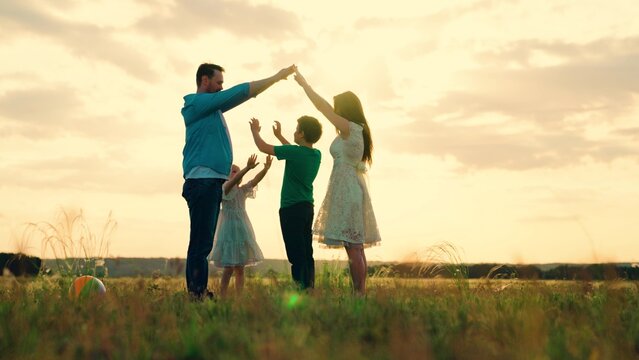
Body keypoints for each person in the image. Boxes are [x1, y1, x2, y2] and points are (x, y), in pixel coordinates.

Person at [181, 63, 295, 300]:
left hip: (210, 182)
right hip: (202, 181)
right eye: (218, 82)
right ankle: (197, 293)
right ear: (205, 80)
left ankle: (198, 292)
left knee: (203, 243)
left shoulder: (212, 111)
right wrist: (275, 77)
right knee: (201, 243)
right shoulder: (196, 103)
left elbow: (236, 95)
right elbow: (241, 92)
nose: (222, 87)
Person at [293, 69, 381, 294]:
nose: (335, 113)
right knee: (355, 246)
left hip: (347, 189)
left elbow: (322, 107)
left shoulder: (350, 128)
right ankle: (359, 293)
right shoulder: (355, 130)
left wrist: (305, 85)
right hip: (348, 188)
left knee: (354, 247)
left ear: (345, 109)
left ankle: (359, 294)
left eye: (338, 109)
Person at [249, 116, 322, 290]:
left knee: (295, 252)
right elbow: (294, 150)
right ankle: (309, 286)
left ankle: (301, 288)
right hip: (307, 207)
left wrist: (255, 132)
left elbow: (262, 147)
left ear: (302, 134)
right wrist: (280, 136)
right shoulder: (315, 154)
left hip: (291, 209)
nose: (295, 132)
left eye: (297, 129)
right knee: (306, 250)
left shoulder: (295, 153)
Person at [209, 154, 272, 296]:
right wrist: (247, 168)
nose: (236, 173)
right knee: (228, 268)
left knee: (240, 268)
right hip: (228, 231)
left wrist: (265, 169)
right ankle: (223, 296)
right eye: (233, 171)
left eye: (237, 171)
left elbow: (255, 180)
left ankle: (239, 297)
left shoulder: (242, 190)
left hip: (242, 229)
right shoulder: (225, 188)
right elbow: (232, 182)